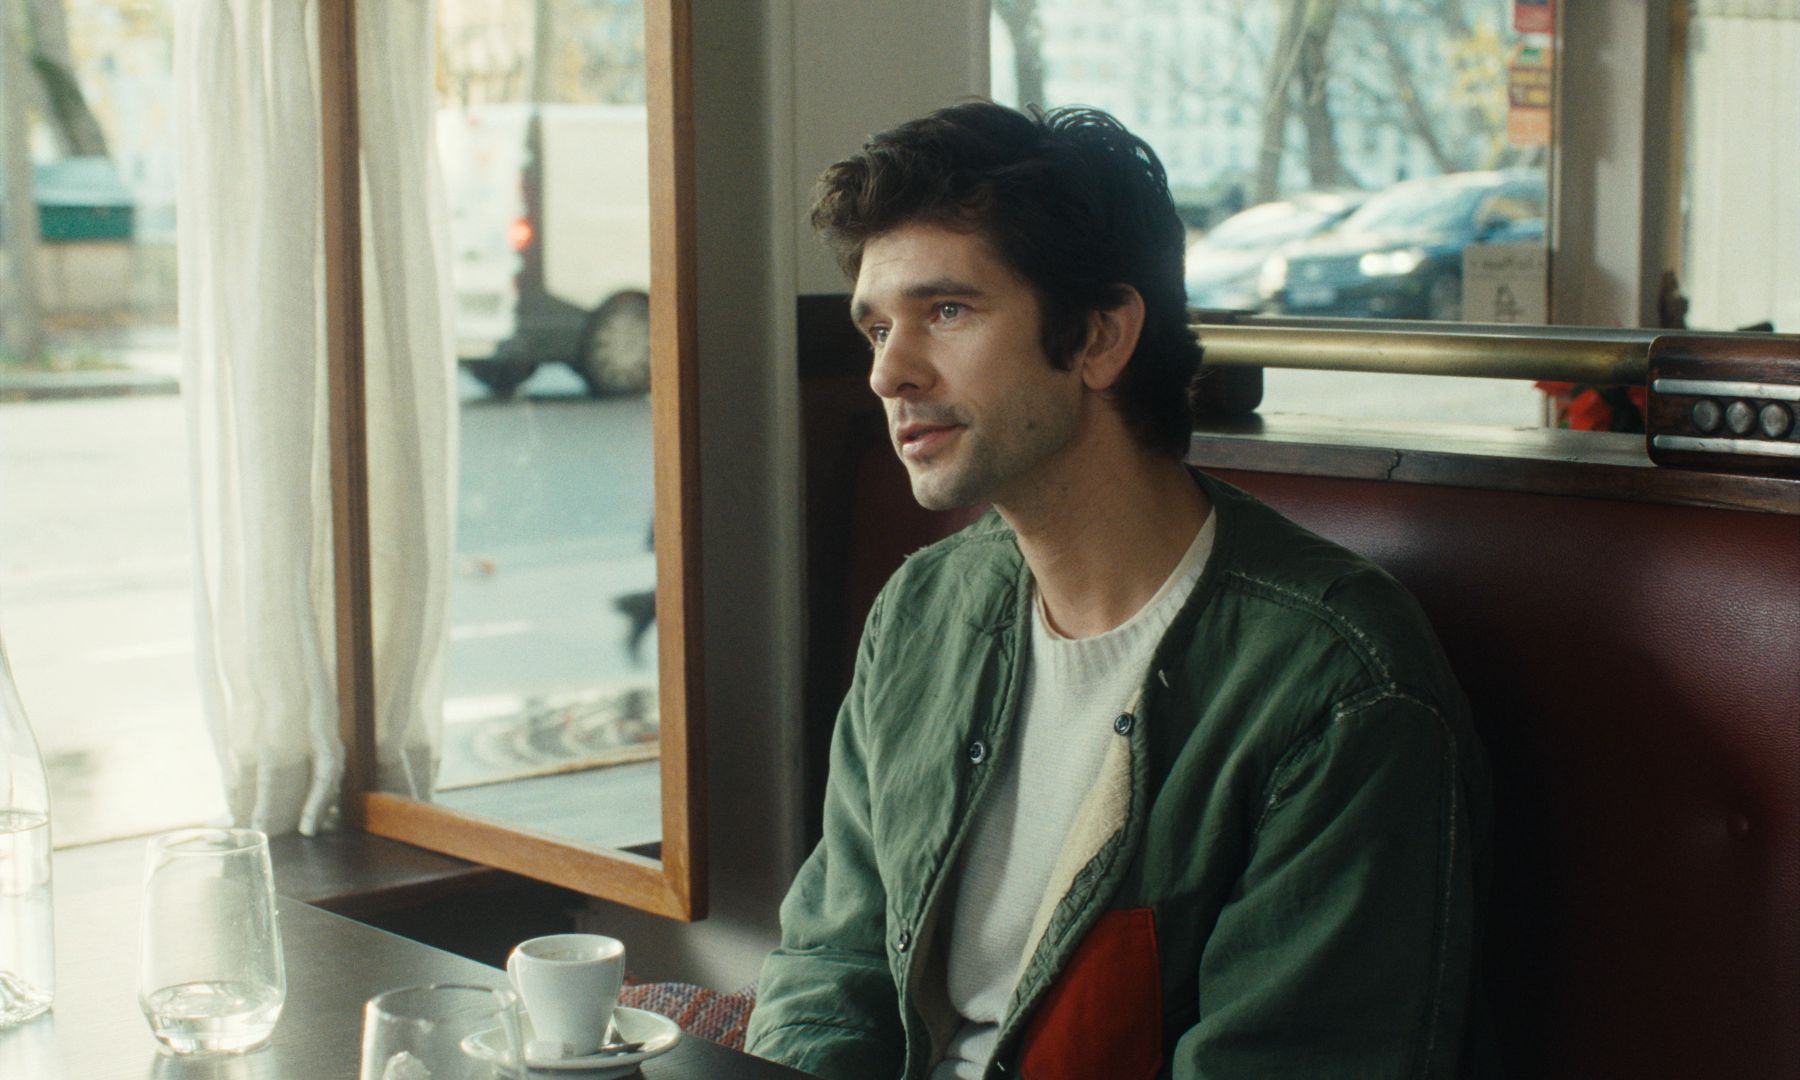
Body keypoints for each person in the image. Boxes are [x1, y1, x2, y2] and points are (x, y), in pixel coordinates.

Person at [744, 101, 1492, 1080]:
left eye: (948, 312)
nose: (889, 373)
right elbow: (830, 965)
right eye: (878, 328)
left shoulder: (1339, 689)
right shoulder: (922, 611)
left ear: (1101, 337)